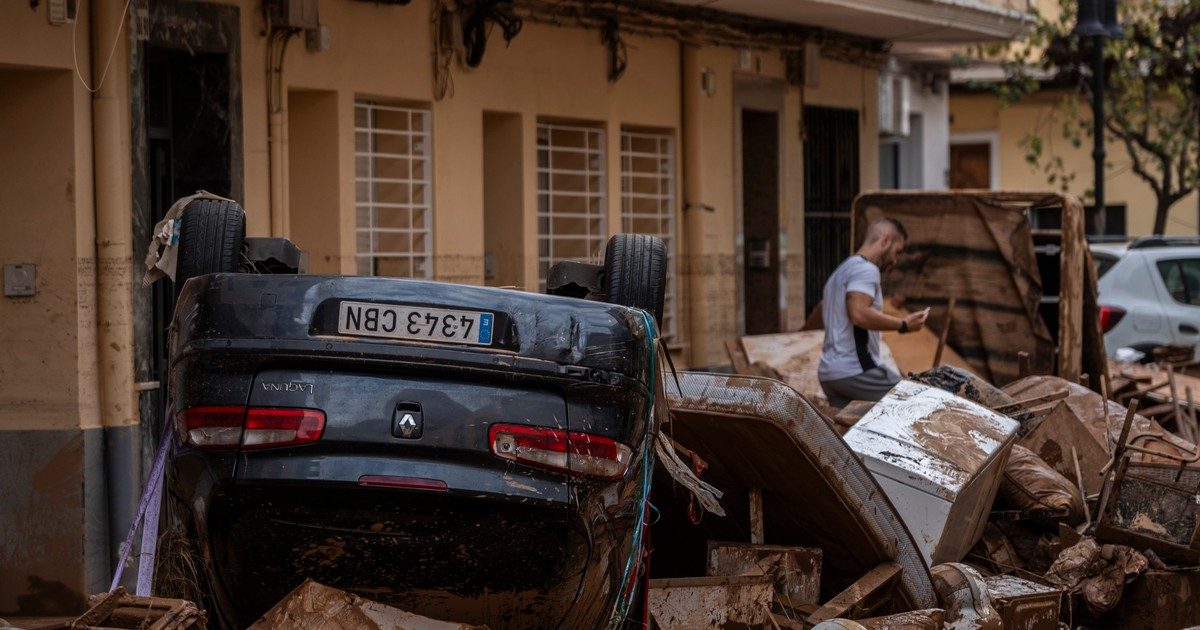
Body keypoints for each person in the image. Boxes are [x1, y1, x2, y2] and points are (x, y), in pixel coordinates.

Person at [817, 217, 927, 408]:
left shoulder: (840, 272)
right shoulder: (866, 269)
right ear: (885, 241)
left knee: (853, 434)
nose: (895, 260)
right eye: (897, 251)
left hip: (829, 375)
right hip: (855, 370)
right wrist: (903, 325)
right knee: (914, 403)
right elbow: (859, 314)